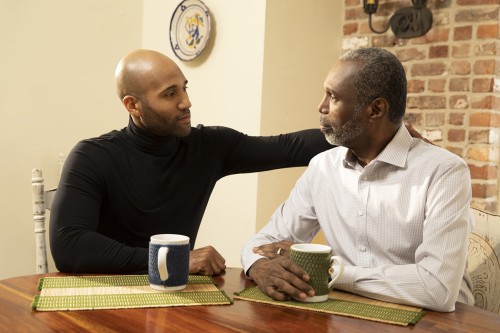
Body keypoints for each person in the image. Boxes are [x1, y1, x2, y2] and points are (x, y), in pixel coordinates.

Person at [49, 49, 333, 276]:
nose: (186, 102)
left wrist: (363, 131)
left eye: (184, 88)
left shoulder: (209, 146)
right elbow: (69, 246)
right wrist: (173, 260)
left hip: (173, 298)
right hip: (98, 299)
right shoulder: (91, 156)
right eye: (170, 94)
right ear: (132, 105)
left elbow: (290, 147)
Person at [241, 47, 475, 312]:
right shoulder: (322, 168)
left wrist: (331, 271)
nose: (321, 106)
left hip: (439, 323)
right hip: (347, 315)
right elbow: (263, 242)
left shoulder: (444, 172)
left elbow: (437, 289)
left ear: (376, 109)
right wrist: (257, 265)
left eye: (333, 97)